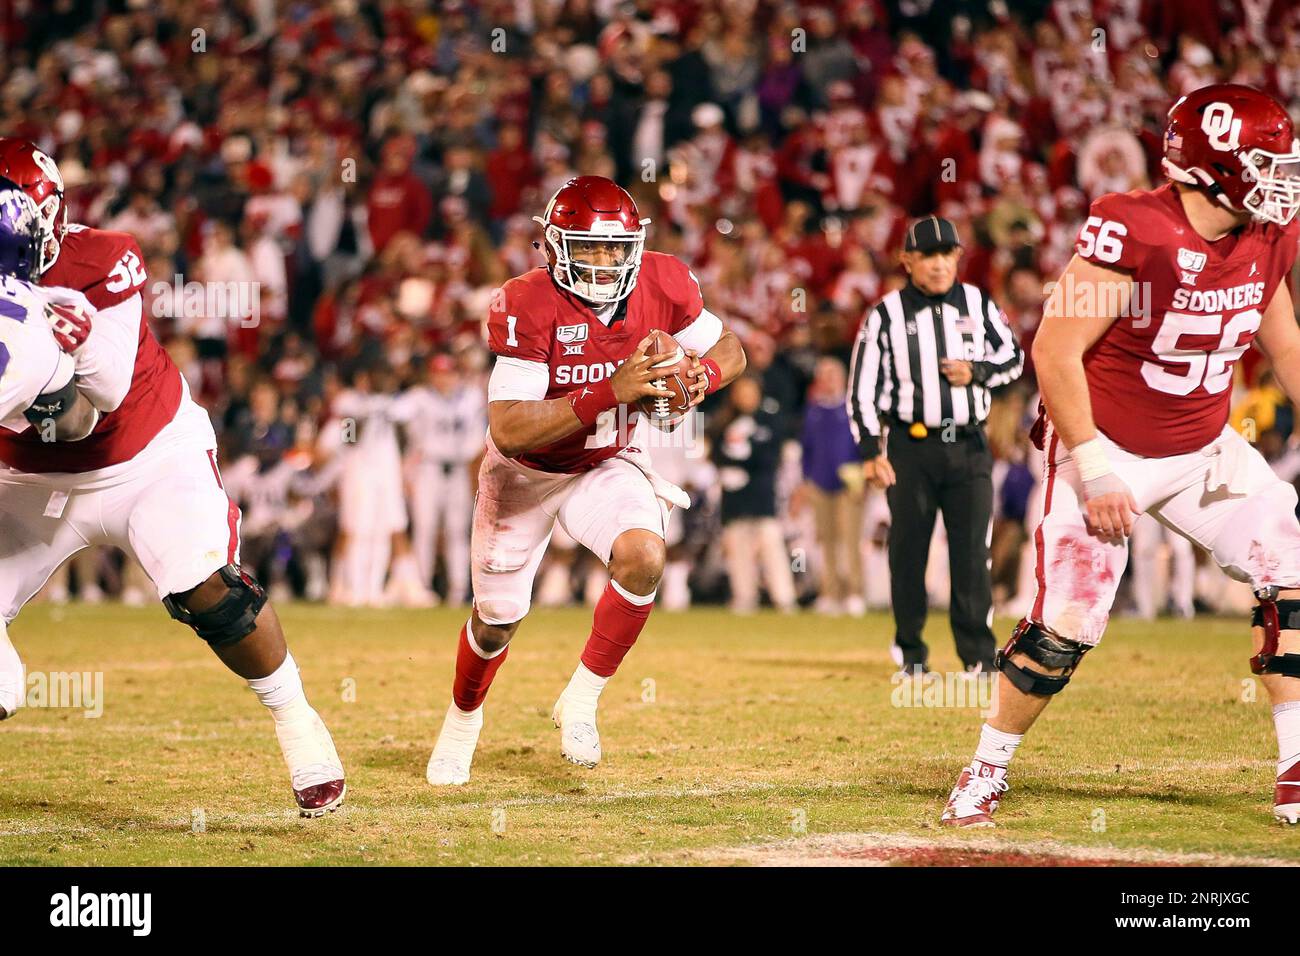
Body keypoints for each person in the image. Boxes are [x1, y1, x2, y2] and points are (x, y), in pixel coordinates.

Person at [941, 84, 1300, 827]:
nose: (1283, 180)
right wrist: (1095, 468)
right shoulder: (1132, 226)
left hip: (1203, 445)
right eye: (1267, 163)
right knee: (1066, 623)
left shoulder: (1270, 232)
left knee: (1294, 575)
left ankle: (1297, 766)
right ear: (1214, 166)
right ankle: (985, 768)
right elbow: (1055, 348)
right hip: (1106, 445)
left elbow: (1285, 341)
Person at [0, 142, 345, 817]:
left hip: (143, 454)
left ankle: (295, 716)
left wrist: (49, 357)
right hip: (25, 478)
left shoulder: (102, 260)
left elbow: (84, 412)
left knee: (211, 593)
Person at [425, 176, 746, 785]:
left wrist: (699, 378)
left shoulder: (664, 280)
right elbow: (510, 429)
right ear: (554, 246)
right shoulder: (525, 301)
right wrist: (611, 391)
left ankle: (581, 697)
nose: (603, 262)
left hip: (603, 462)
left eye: (613, 248)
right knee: (496, 619)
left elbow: (732, 348)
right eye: (588, 247)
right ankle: (464, 718)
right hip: (526, 472)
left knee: (644, 555)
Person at [847, 214, 1024, 674]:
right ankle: (910, 651)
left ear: (958, 257)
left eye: (947, 253)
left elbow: (1014, 357)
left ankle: (979, 657)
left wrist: (978, 371)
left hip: (969, 444)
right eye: (927, 255)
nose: (938, 264)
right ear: (907, 260)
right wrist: (871, 452)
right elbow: (861, 390)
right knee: (909, 551)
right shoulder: (884, 315)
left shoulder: (978, 303)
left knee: (971, 553)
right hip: (911, 446)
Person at [712, 374, 798, 614]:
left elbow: (769, 457)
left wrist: (742, 462)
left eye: (749, 392)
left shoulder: (769, 420)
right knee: (737, 549)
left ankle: (784, 598)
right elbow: (717, 454)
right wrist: (733, 464)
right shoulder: (725, 420)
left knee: (772, 548)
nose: (745, 397)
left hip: (762, 495)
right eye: (741, 392)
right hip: (734, 497)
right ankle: (744, 597)